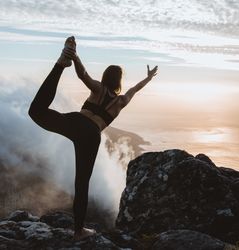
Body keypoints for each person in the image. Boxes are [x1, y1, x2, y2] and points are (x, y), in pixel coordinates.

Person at [28, 36, 158, 240]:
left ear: (106, 77)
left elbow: (83, 75)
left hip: (75, 121)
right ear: (119, 81)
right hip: (91, 135)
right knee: (82, 183)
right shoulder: (121, 101)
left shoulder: (98, 89)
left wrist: (74, 57)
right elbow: (134, 90)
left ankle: (60, 65)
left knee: (36, 111)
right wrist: (148, 78)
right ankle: (79, 231)